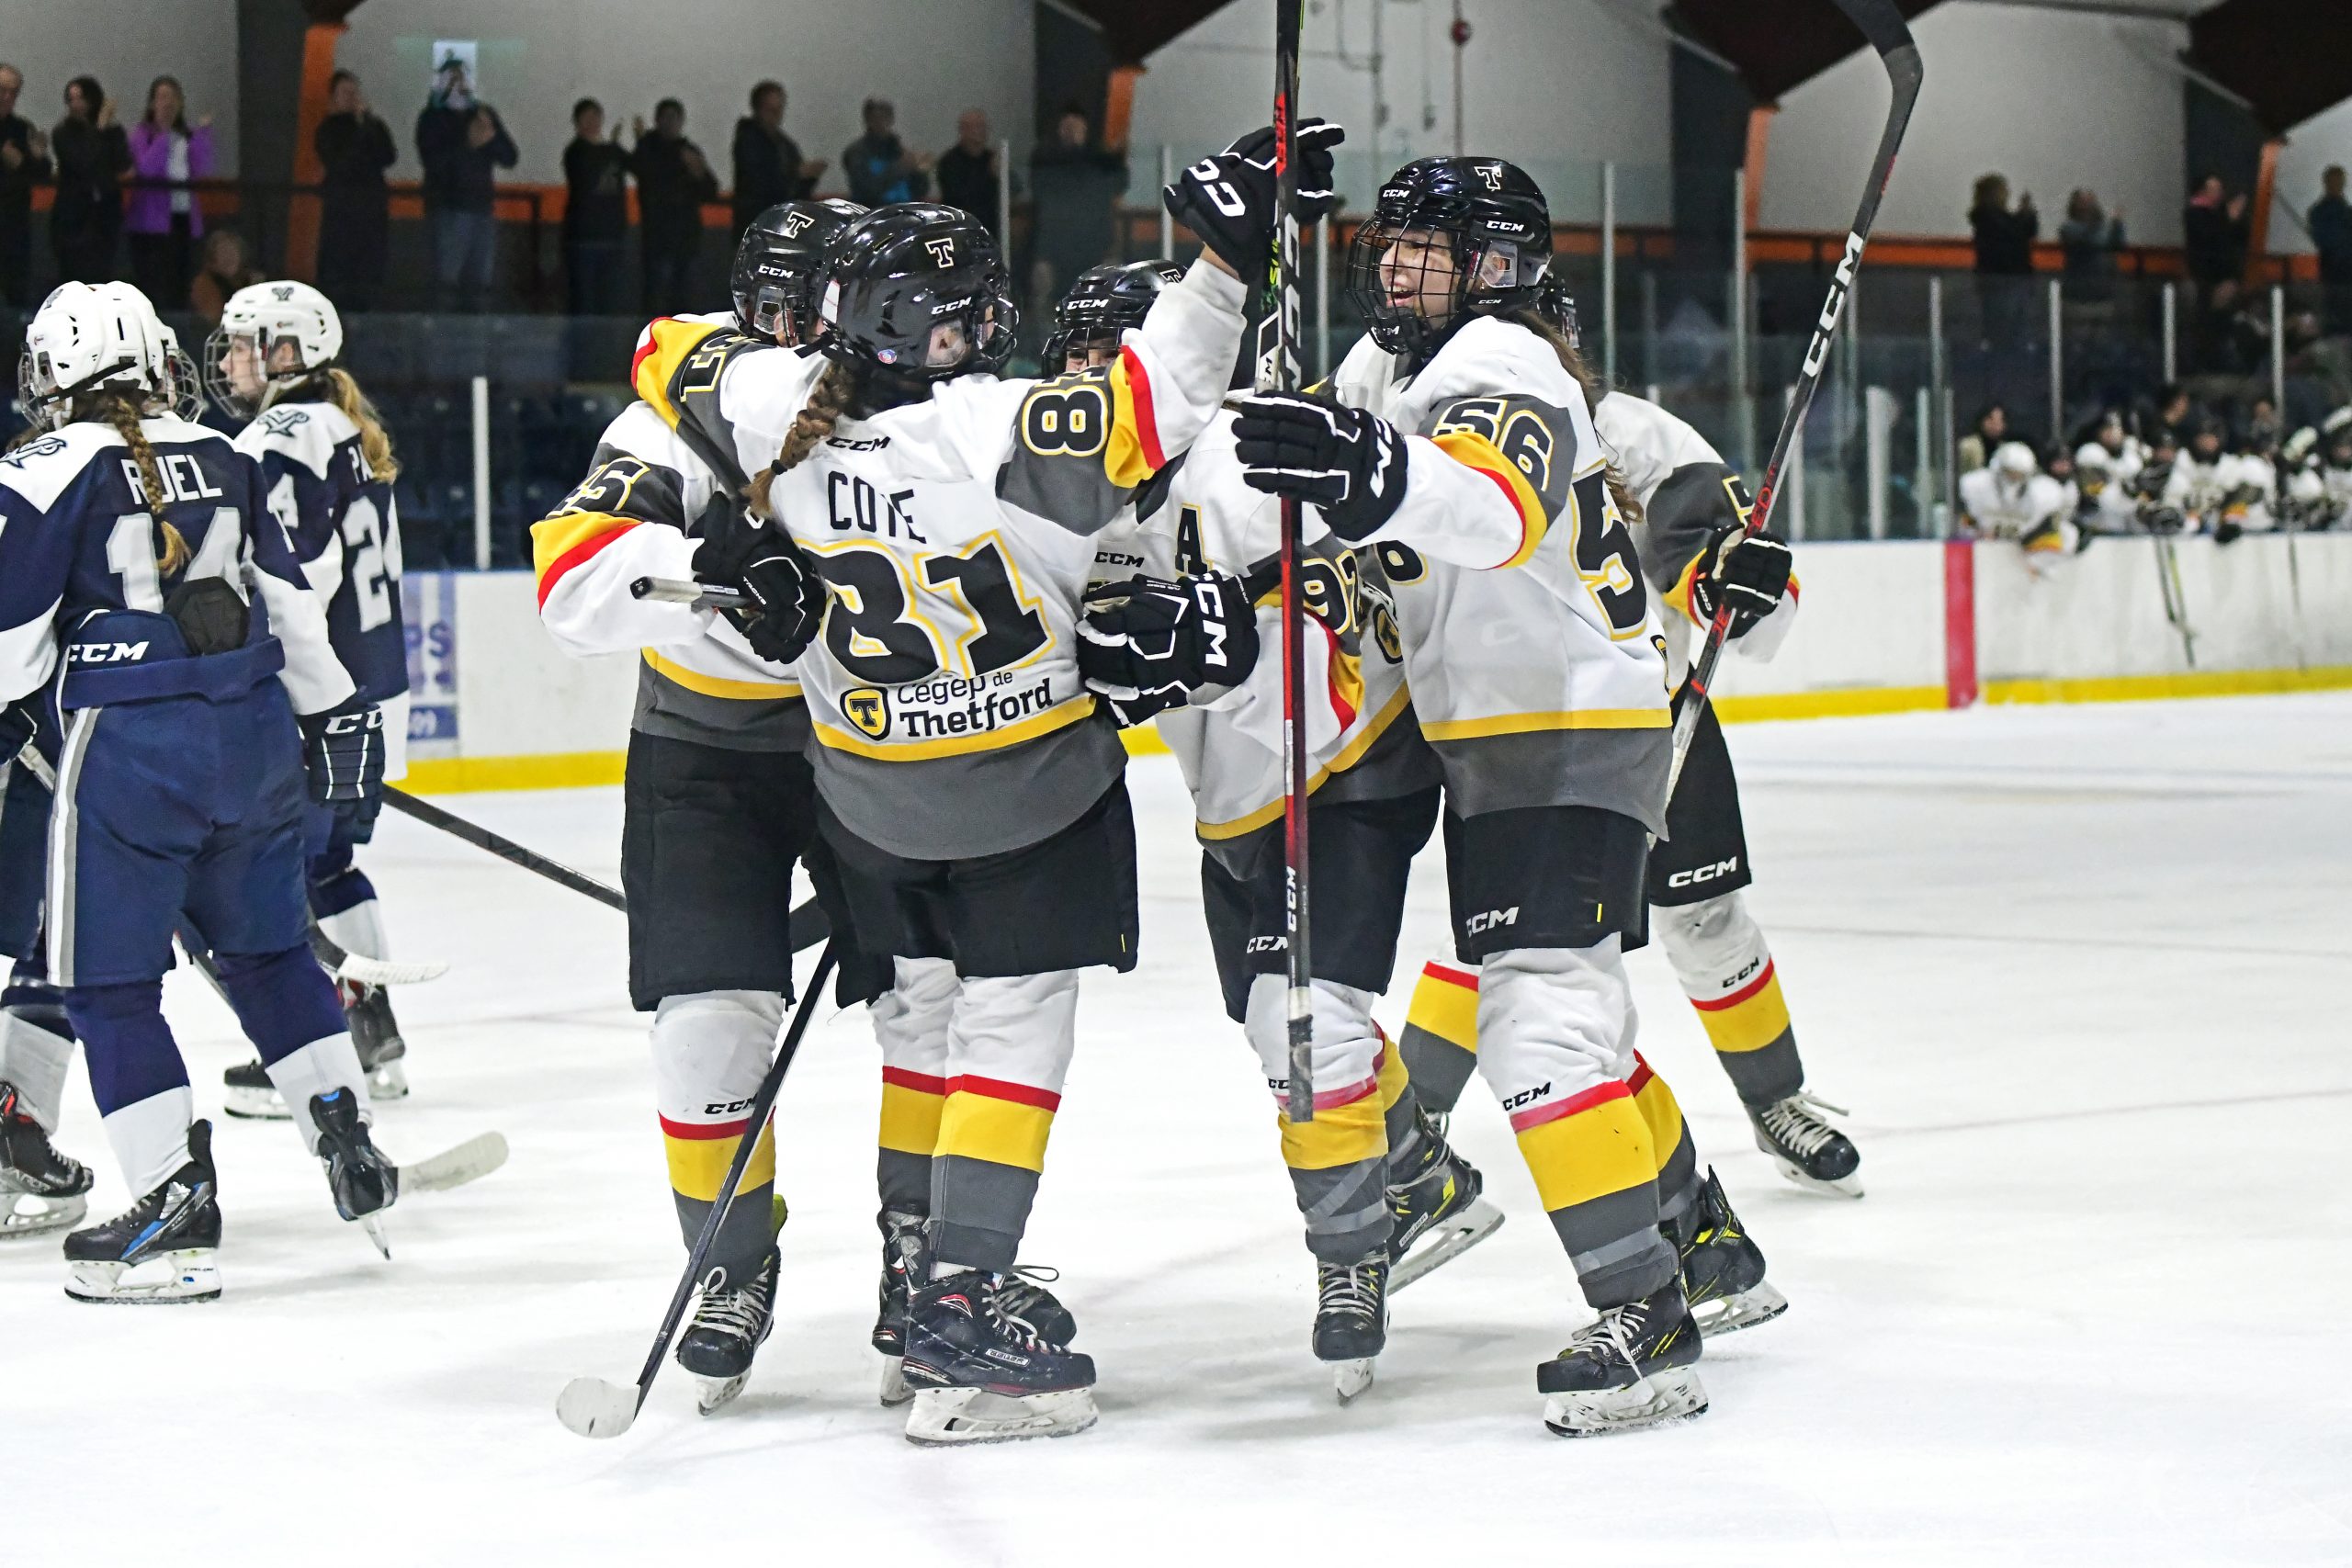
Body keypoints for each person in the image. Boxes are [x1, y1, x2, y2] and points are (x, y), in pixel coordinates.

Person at [695, 128, 1330, 1442]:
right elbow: (1156, 407)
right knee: (1009, 1034)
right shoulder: (988, 422)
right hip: (1021, 797)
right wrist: (1228, 262)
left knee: (923, 1024)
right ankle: (966, 1301)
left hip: (867, 805)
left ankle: (920, 1284)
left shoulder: (776, 428)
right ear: (955, 323)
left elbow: (688, 425)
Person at [1232, 155, 1747, 1437]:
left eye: (1433, 251)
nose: (1401, 267)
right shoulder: (1386, 366)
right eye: (1391, 244)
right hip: (1500, 731)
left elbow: (1494, 506)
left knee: (1540, 1023)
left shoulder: (1503, 362)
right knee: (1561, 1008)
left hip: (1570, 722)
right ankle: (1702, 1237)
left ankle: (1644, 1309)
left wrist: (1369, 475)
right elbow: (1311, 463)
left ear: (1501, 268)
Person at [1067, 260, 1504, 1400]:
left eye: (1103, 362)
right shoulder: (1079, 502)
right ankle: (1421, 1175)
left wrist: (1233, 648)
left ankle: (1351, 1263)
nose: (1080, 388)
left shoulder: (1247, 467)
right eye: (1073, 364)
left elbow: (1339, 637)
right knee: (1282, 1027)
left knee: (1303, 1030)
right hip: (1236, 799)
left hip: (1351, 764)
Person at [533, 194, 912, 1416]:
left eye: (830, 314)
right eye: (783, 315)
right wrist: (706, 573)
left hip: (886, 747)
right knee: (702, 1028)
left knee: (937, 1007)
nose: (804, 342)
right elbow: (570, 580)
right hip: (703, 750)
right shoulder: (680, 418)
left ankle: (932, 1252)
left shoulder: (924, 416)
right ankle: (733, 1260)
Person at [0, 280, 397, 1301]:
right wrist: (337, 717)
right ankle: (341, 1126)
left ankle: (171, 1211)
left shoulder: (43, 469)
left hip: (131, 750)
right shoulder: (226, 452)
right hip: (256, 735)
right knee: (266, 955)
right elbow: (294, 612)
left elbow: (8, 653)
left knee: (105, 986)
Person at [202, 278, 416, 1114]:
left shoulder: (280, 434)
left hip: (323, 688)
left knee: (270, 877)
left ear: (286, 352)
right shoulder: (347, 428)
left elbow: (296, 574)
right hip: (376, 678)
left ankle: (320, 1043)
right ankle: (378, 1039)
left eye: (242, 342)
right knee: (330, 863)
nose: (225, 359)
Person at [414, 56, 517, 312]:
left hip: (482, 209)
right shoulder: (432, 118)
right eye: (452, 78)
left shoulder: (483, 115)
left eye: (462, 78)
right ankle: (441, 343)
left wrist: (491, 138)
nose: (459, 84)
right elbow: (433, 162)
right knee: (445, 285)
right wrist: (468, 144)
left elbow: (510, 157)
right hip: (447, 209)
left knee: (480, 286)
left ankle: (473, 342)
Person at [124, 76, 212, 310]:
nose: (167, 103)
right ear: (152, 103)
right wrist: (164, 136)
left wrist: (202, 136)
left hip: (182, 220)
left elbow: (201, 168)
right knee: (155, 286)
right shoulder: (143, 135)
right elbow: (146, 170)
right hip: (150, 225)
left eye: (173, 97)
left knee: (181, 284)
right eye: (162, 97)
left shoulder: (186, 135)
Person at [313, 70, 397, 313]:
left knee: (370, 273)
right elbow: (341, 161)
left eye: (354, 92)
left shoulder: (373, 125)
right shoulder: (327, 130)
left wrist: (366, 124)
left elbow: (388, 156)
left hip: (372, 213)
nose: (352, 98)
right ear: (333, 98)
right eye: (345, 93)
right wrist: (360, 132)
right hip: (342, 214)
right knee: (340, 275)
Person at [1028, 106, 1126, 311]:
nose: (1072, 133)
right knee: (1053, 308)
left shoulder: (1098, 160)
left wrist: (1118, 159)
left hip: (1092, 246)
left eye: (1077, 127)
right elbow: (1041, 197)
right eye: (1067, 127)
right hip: (1057, 248)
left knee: (1094, 307)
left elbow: (1119, 186)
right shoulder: (1047, 160)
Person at [630, 99, 717, 319]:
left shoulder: (688, 152)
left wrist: (698, 171)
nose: (670, 123)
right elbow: (643, 173)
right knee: (655, 300)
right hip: (657, 236)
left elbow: (710, 192)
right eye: (666, 118)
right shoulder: (648, 148)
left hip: (685, 237)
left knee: (683, 301)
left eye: (674, 118)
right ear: (657, 121)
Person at [50, 76, 129, 286]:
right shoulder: (62, 133)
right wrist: (99, 129)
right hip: (73, 218)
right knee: (73, 278)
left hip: (105, 215)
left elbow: (124, 164)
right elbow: (83, 162)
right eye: (71, 99)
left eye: (81, 99)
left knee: (103, 277)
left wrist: (107, 128)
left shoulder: (112, 131)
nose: (76, 105)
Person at [561, 98, 629, 316]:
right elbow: (585, 178)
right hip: (583, 238)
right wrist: (609, 146)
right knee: (584, 301)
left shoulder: (612, 151)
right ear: (577, 122)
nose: (592, 122)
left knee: (609, 301)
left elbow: (639, 167)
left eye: (596, 117)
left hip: (612, 235)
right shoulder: (576, 151)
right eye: (587, 118)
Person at [730, 81, 823, 233]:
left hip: (781, 225)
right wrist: (797, 174)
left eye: (779, 109)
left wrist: (808, 177)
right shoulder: (748, 142)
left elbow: (796, 192)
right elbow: (758, 183)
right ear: (758, 109)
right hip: (757, 225)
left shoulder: (785, 145)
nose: (776, 115)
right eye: (770, 109)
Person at [0, 63, 53, 308]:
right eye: (2, 90)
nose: (7, 97)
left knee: (15, 291)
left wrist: (35, 158)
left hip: (14, 225)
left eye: (14, 92)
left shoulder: (21, 129)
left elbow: (42, 174)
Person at [840, 98, 929, 207]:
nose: (880, 123)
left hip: (904, 212)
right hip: (872, 213)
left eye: (885, 118)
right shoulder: (856, 153)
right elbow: (866, 190)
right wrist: (899, 169)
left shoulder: (899, 150)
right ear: (867, 121)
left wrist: (919, 172)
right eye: (875, 119)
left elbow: (920, 190)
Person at [933, 109, 999, 237]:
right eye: (973, 127)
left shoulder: (991, 158)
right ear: (962, 130)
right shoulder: (949, 161)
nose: (979, 131)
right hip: (962, 226)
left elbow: (1012, 192)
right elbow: (960, 197)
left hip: (994, 223)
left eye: (982, 126)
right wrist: (988, 175)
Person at [2057, 189, 2124, 300]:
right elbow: (2088, 241)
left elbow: (2117, 246)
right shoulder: (2068, 228)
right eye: (2083, 202)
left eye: (2090, 202)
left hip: (2103, 290)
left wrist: (2118, 226)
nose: (2087, 206)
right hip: (2078, 291)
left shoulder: (2103, 229)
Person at [187, 229, 264, 324]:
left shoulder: (249, 281)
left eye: (233, 251)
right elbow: (214, 322)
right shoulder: (204, 284)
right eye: (223, 252)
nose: (229, 257)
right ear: (213, 257)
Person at [1957, 401, 2008, 477]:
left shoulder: (2006, 451)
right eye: (1991, 419)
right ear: (1982, 421)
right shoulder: (1967, 446)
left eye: (2000, 420)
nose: (1995, 424)